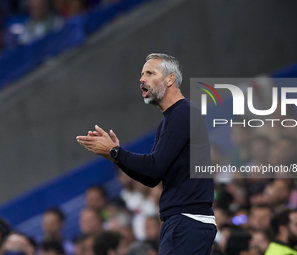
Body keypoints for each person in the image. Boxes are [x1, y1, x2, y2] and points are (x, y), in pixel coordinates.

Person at [76, 53, 217, 254]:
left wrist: (115, 151)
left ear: (170, 79)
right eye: (142, 74)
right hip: (184, 221)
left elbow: (154, 166)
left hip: (187, 220)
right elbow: (152, 178)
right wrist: (114, 156)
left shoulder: (182, 113)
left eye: (150, 73)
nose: (142, 79)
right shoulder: (171, 119)